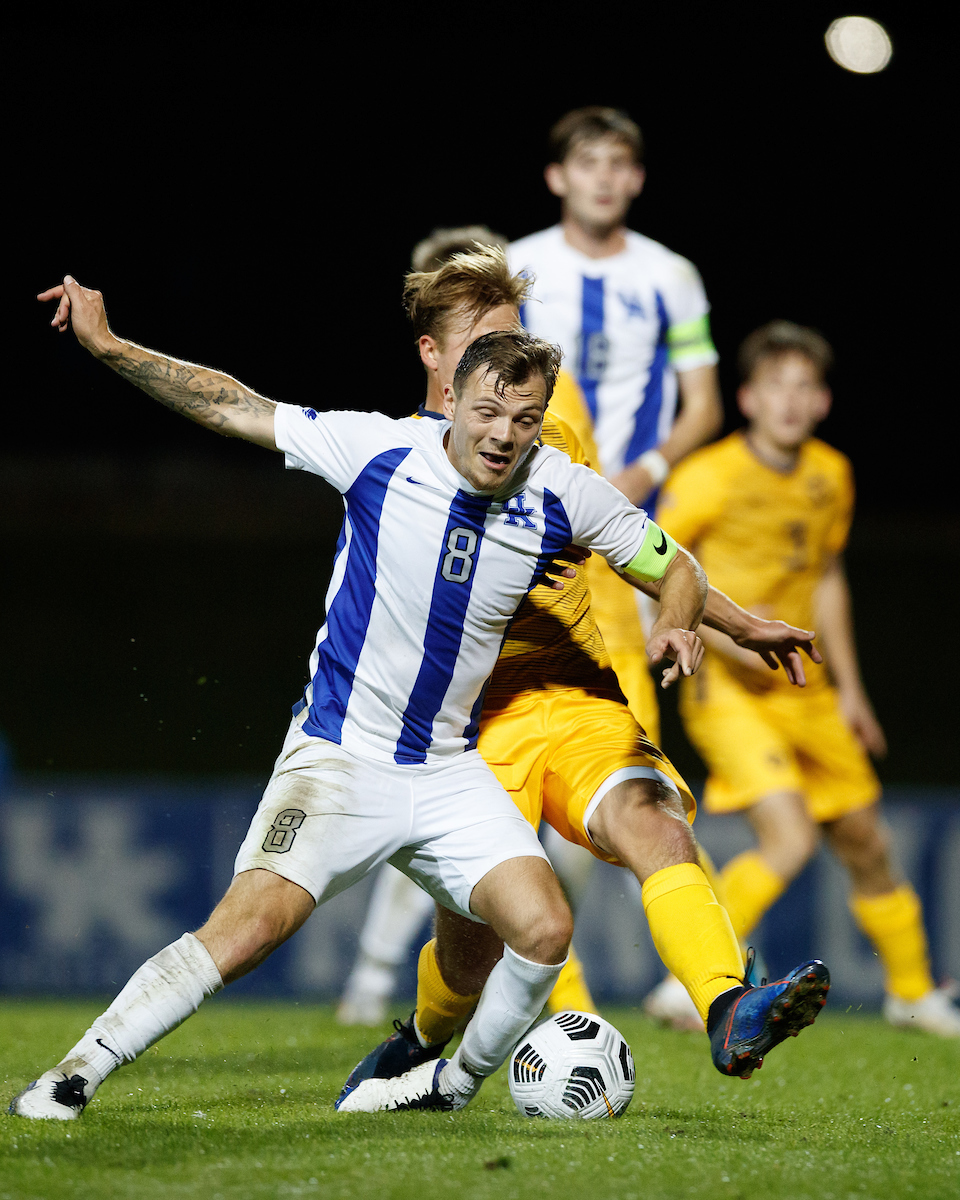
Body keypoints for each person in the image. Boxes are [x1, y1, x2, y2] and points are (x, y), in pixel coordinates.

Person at [10, 279, 818, 1123]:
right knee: (248, 933)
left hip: (450, 769)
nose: (506, 432)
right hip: (341, 758)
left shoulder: (559, 484)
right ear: (450, 385)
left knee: (545, 928)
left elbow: (672, 562)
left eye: (527, 415)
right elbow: (233, 407)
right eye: (490, 405)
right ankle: (75, 1074)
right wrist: (109, 347)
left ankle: (448, 1084)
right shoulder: (376, 452)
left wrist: (701, 624)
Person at [328, 249, 833, 1113]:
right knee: (471, 943)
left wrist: (722, 624)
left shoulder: (552, 441)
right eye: (483, 344)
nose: (509, 365)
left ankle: (727, 1005)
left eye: (513, 339)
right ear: (434, 358)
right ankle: (419, 1038)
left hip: (572, 695)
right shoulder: (390, 460)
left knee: (654, 821)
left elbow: (651, 552)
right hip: (460, 726)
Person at [657, 319, 960, 1039]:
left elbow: (826, 580)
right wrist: (710, 640)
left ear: (822, 401)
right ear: (748, 398)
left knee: (864, 839)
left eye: (804, 388)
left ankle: (914, 994)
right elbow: (653, 569)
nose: (790, 402)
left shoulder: (832, 476)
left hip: (807, 688)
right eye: (775, 387)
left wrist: (851, 691)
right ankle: (690, 978)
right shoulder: (708, 476)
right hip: (728, 688)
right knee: (789, 837)